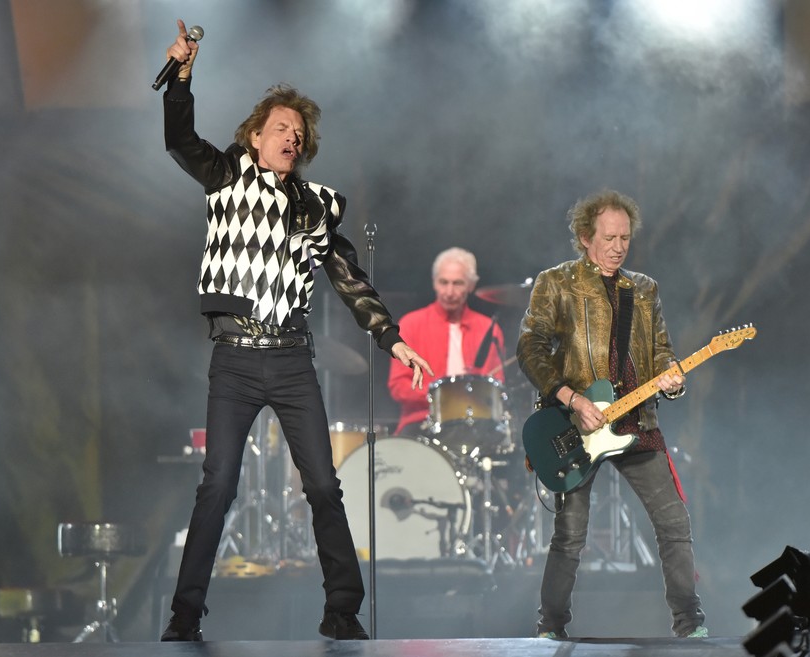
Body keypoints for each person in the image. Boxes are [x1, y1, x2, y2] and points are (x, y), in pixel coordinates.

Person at [158, 20, 433, 642]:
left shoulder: (312, 209)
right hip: (233, 358)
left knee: (323, 484)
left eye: (298, 132)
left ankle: (343, 611)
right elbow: (179, 138)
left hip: (289, 359)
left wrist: (393, 339)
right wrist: (181, 75)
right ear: (254, 136)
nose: (291, 136)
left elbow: (350, 281)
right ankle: (184, 615)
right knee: (218, 484)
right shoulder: (225, 177)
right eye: (280, 127)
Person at [516, 189, 707, 639]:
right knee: (571, 534)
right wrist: (571, 399)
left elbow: (662, 353)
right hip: (577, 421)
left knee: (674, 523)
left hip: (636, 419)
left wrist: (673, 380)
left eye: (625, 237)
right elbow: (530, 347)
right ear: (586, 237)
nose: (619, 246)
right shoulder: (557, 282)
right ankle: (551, 626)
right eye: (609, 237)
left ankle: (690, 623)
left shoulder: (644, 289)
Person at [387, 247, 505, 437]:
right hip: (420, 421)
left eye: (457, 283)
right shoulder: (411, 324)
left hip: (474, 424)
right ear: (434, 283)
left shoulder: (488, 329)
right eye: (444, 283)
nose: (449, 292)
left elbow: (495, 386)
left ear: (471, 286)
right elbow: (398, 386)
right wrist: (440, 397)